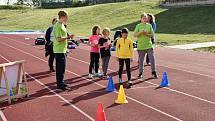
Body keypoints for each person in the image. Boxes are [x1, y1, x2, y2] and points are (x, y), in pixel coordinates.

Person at [53, 10, 74, 91]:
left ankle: (61, 83)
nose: (67, 18)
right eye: (66, 17)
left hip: (63, 50)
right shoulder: (57, 26)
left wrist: (66, 48)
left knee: (62, 68)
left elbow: (63, 38)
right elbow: (58, 39)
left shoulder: (62, 25)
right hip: (58, 50)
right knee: (59, 68)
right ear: (62, 17)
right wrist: (68, 37)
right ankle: (59, 85)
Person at [134, 13, 158, 79]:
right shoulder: (138, 26)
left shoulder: (149, 26)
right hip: (141, 46)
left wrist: (146, 34)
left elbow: (152, 35)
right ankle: (140, 73)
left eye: (146, 18)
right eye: (143, 18)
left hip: (148, 45)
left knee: (152, 59)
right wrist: (140, 33)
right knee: (141, 60)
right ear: (141, 19)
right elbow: (135, 35)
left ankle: (154, 72)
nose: (145, 19)